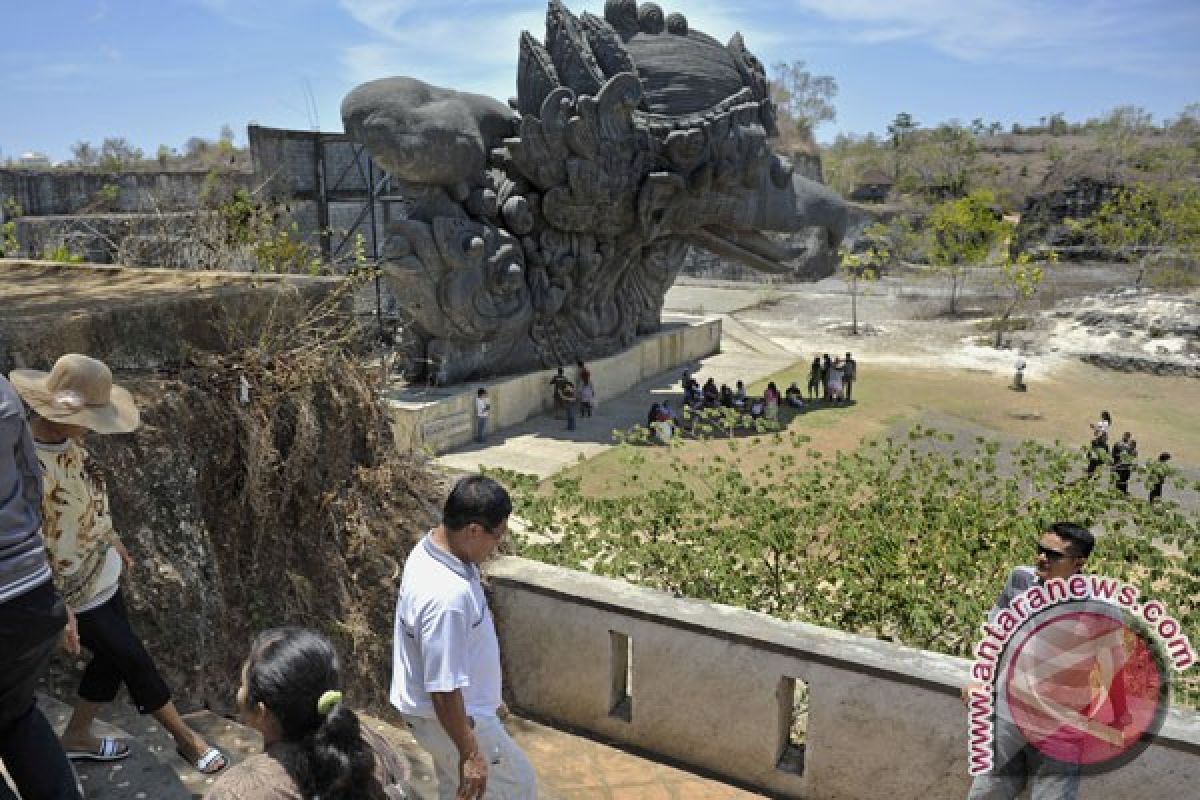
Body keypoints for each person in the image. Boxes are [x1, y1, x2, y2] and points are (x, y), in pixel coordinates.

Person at [10, 354, 227, 775]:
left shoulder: (70, 446)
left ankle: (76, 736)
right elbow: (29, 538)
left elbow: (86, 504)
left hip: (102, 577)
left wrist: (112, 537)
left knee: (111, 660)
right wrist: (53, 602)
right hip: (70, 591)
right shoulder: (29, 465)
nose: (94, 427)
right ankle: (186, 739)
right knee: (133, 659)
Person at [391, 475, 537, 800]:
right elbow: (443, 688)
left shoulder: (432, 548)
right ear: (473, 530)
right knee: (518, 788)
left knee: (459, 791)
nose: (496, 545)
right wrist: (470, 752)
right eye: (495, 536)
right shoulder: (447, 598)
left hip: (436, 718)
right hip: (456, 719)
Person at [964, 522, 1096, 800]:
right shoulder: (1020, 579)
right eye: (1040, 549)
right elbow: (995, 633)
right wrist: (980, 679)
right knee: (986, 794)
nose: (1042, 558)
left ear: (1079, 562)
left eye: (1053, 554)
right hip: (1007, 716)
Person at [0, 373, 83, 800]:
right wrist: (45, 583)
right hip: (30, 595)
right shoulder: (2, 391)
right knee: (15, 715)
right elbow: (31, 487)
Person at [208, 627, 409, 800]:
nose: (239, 691)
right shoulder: (368, 745)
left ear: (262, 713)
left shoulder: (238, 791)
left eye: (243, 685)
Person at [1086, 411, 1112, 477]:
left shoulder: (1106, 423)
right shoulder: (1100, 423)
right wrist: (1094, 429)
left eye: (1103, 415)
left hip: (1101, 437)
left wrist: (1095, 427)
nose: (1102, 416)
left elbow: (1103, 430)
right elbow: (1097, 431)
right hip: (1099, 437)